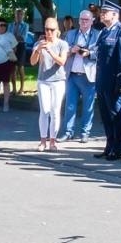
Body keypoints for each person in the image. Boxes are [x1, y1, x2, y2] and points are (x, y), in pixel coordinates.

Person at [94, 1, 121, 159]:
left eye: (105, 12)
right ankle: (109, 145)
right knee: (105, 116)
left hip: (114, 82)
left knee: (116, 115)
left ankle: (117, 149)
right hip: (102, 81)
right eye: (102, 11)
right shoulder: (103, 32)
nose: (102, 14)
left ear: (115, 14)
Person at [60, 9, 100, 142]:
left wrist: (89, 53)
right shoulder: (70, 34)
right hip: (72, 75)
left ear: (92, 21)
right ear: (78, 21)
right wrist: (72, 50)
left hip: (88, 76)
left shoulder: (97, 35)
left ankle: (85, 132)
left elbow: (101, 53)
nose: (83, 22)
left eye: (86, 20)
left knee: (88, 106)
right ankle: (68, 132)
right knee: (70, 106)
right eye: (81, 19)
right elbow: (63, 52)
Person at [31, 17, 68, 150]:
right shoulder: (39, 43)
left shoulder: (62, 44)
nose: (49, 32)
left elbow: (62, 61)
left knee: (55, 110)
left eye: (52, 30)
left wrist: (50, 51)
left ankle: (53, 140)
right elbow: (32, 62)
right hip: (43, 81)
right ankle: (42, 140)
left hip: (58, 81)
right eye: (46, 29)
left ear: (57, 30)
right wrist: (37, 50)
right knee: (44, 110)